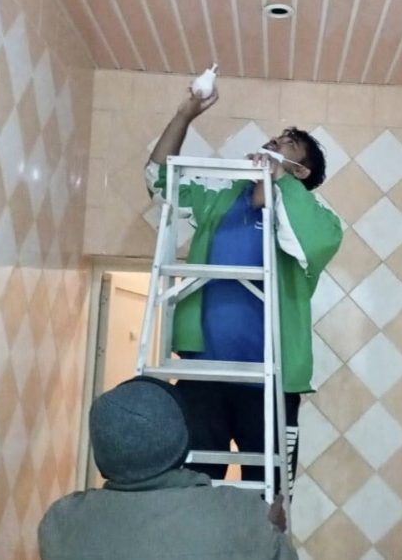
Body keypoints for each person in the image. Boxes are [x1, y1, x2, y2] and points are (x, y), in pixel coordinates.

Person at [145, 87, 343, 493]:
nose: (273, 143)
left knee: (270, 502)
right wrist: (184, 115)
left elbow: (314, 243)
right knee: (190, 497)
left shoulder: (317, 217)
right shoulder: (221, 200)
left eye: (287, 144)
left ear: (300, 172)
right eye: (274, 139)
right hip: (204, 376)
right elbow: (159, 181)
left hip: (271, 386)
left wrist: (279, 181)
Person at [38, 377, 297, 560]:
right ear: (182, 443)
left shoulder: (61, 523)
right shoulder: (243, 514)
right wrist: (272, 534)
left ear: (100, 454)